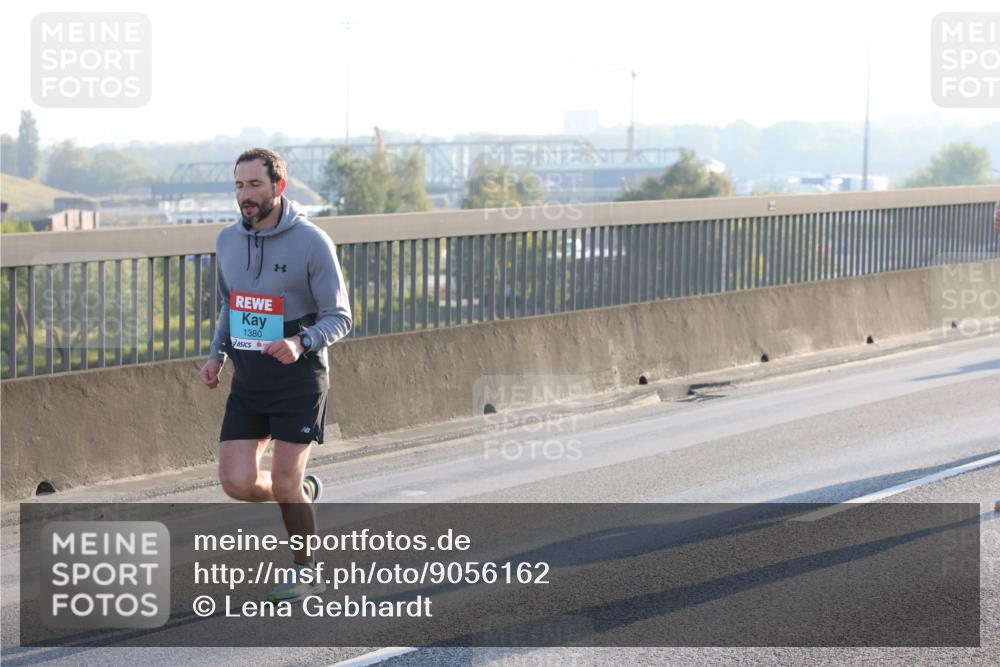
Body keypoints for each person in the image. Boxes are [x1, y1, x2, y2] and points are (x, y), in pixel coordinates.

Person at [198, 148, 352, 602]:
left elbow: (340, 317)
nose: (245, 196)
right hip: (250, 378)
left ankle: (307, 570)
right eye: (239, 186)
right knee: (237, 483)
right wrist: (216, 355)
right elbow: (232, 305)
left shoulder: (311, 241)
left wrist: (299, 342)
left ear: (278, 187)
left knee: (283, 479)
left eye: (254, 186)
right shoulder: (227, 240)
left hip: (298, 377)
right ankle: (299, 492)